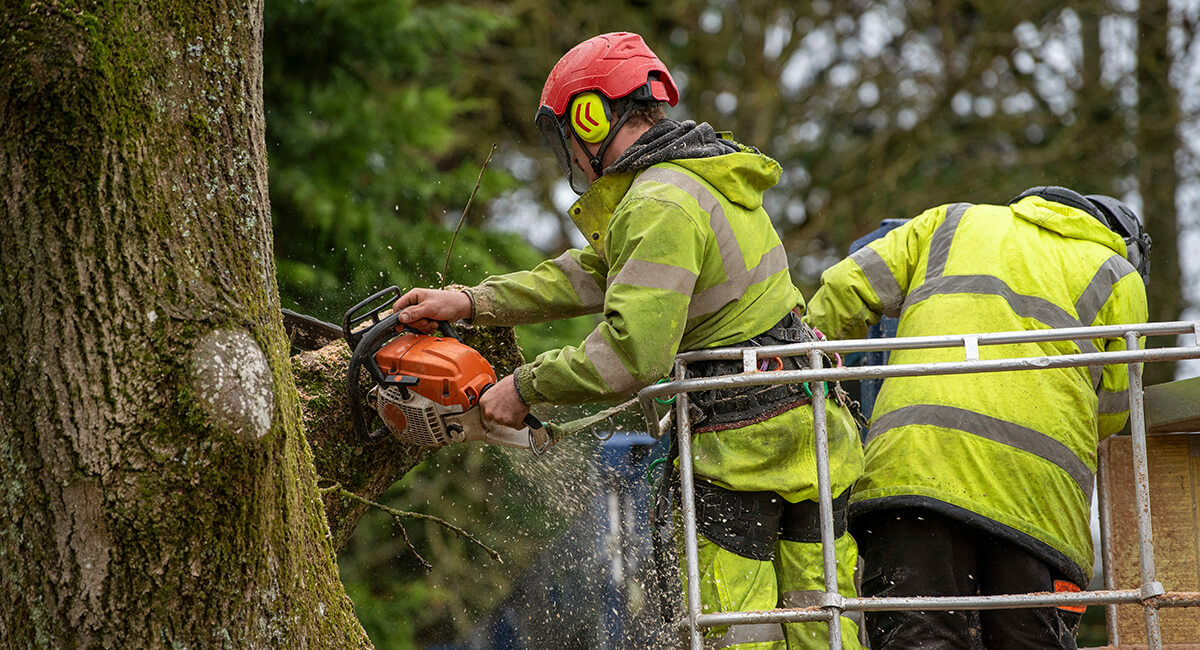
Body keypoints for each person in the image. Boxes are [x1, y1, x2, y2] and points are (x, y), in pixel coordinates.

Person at [393, 31, 865, 650]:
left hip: (744, 447)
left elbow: (631, 353)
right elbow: (595, 271)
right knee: (822, 622)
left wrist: (524, 388)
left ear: (589, 117)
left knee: (738, 632)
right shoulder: (702, 179)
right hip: (810, 427)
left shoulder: (660, 202)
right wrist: (474, 302)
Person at [803, 186, 1151, 649]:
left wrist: (803, 381)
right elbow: (1111, 412)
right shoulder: (1118, 275)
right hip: (1036, 503)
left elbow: (841, 295)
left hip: (913, 475)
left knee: (918, 639)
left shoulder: (951, 219)